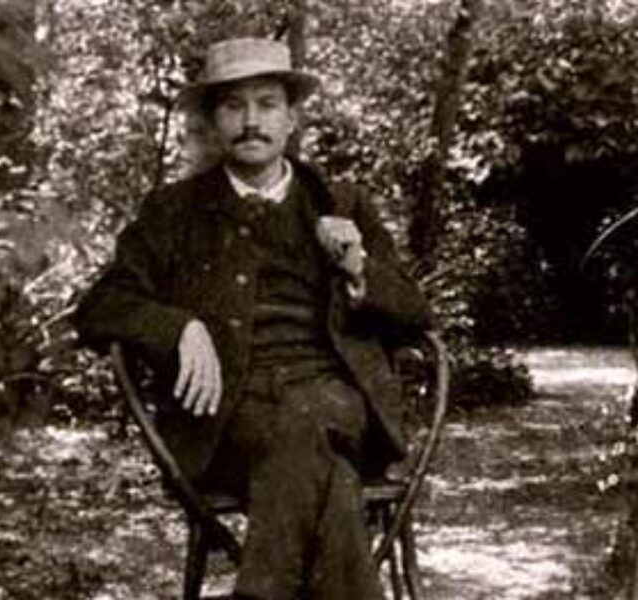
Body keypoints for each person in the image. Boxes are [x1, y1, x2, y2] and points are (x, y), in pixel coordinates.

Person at [72, 37, 432, 599]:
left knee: (307, 420)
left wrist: (359, 266)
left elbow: (415, 313)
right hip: (229, 416)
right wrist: (179, 327)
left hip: (336, 396)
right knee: (328, 477)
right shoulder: (173, 212)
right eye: (234, 106)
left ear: (291, 119)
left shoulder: (340, 203)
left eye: (267, 104)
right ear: (214, 122)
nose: (251, 122)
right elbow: (99, 308)